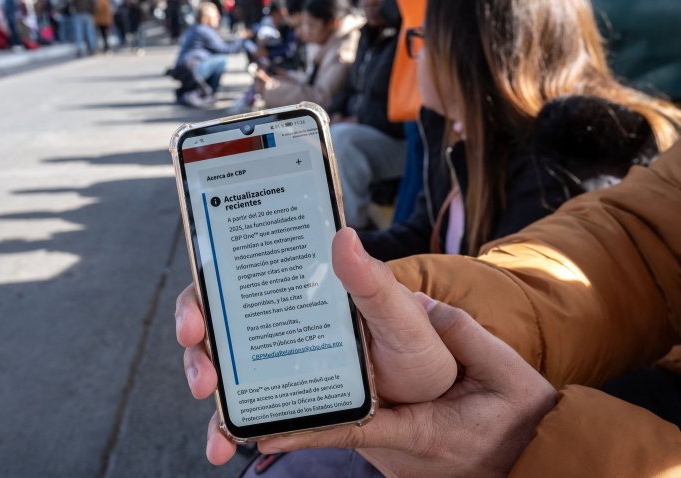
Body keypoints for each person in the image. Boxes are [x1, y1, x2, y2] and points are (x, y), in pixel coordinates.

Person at [174, 109, 681, 478]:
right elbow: (642, 243)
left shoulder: (522, 158)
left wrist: (529, 455)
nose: (408, 53)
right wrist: (394, 302)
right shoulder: (445, 133)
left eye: (419, 40)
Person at [357, 0, 681, 262]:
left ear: (471, 54)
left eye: (424, 36)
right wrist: (329, 248)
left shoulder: (565, 160)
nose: (418, 55)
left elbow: (496, 295)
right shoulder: (461, 128)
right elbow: (426, 234)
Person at [326, 0, 402, 228]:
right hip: (360, 128)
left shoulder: (403, 38)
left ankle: (355, 230)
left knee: (342, 139)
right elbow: (351, 87)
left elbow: (402, 112)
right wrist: (334, 113)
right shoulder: (366, 37)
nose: (371, 6)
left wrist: (359, 119)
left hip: (395, 140)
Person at [256, 0, 362, 109]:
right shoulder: (332, 43)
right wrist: (284, 78)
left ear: (332, 23)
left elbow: (321, 99)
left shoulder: (342, 52)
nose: (307, 31)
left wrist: (271, 88)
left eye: (312, 25)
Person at [172, 1, 249, 107]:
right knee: (221, 60)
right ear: (207, 17)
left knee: (216, 58)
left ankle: (200, 91)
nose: (219, 17)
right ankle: (210, 93)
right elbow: (226, 49)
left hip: (185, 69)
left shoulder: (195, 28)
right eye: (216, 15)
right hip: (192, 69)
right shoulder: (204, 30)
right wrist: (241, 38)